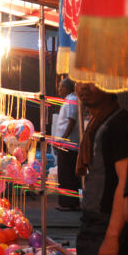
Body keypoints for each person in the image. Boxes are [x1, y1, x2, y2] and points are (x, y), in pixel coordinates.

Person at [73, 82, 128, 255]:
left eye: (91, 83)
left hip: (106, 227)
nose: (83, 88)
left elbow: (125, 184)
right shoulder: (98, 124)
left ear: (109, 85)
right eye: (80, 82)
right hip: (93, 227)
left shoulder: (118, 124)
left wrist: (112, 237)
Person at [55, 78, 80, 211]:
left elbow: (71, 121)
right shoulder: (69, 99)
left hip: (67, 145)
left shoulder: (72, 100)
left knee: (66, 174)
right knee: (68, 174)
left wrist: (62, 139)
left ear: (68, 88)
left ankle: (67, 203)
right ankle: (72, 203)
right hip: (67, 144)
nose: (59, 89)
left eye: (61, 87)